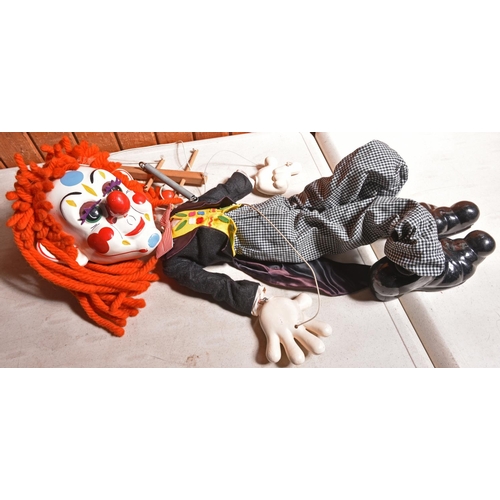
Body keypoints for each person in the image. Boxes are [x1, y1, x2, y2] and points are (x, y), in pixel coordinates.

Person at [6, 137, 496, 364]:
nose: (119, 202)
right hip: (291, 236)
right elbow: (217, 285)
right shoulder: (175, 260)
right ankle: (414, 267)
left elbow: (216, 197)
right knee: (388, 215)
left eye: (111, 186)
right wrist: (264, 304)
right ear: (76, 256)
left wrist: (258, 182)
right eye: (92, 215)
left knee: (376, 158)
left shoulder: (171, 212)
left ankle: (424, 228)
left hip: (295, 205)